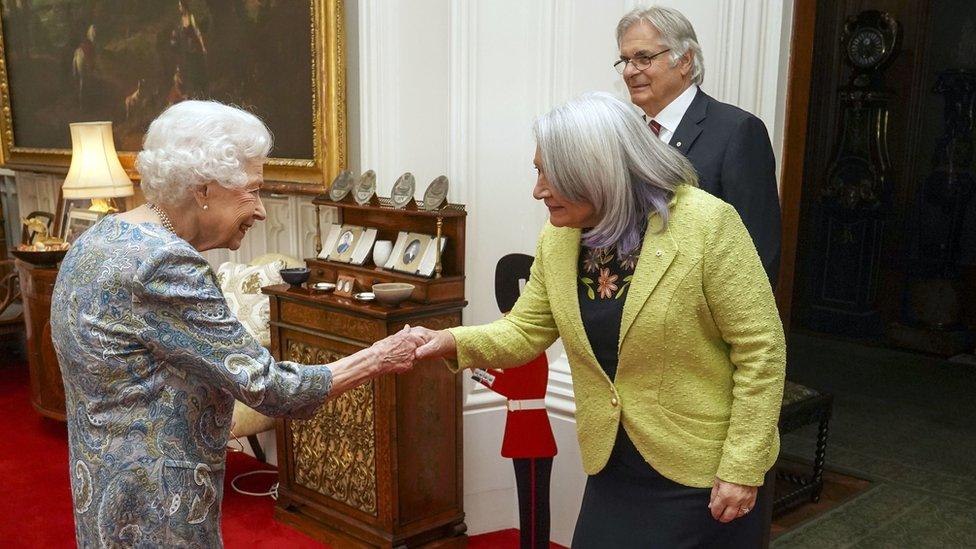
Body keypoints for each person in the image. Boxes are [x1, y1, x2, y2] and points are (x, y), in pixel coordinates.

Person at [413, 92, 786, 548]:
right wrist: (445, 341)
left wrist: (742, 468)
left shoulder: (707, 224)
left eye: (551, 175)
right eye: (538, 172)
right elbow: (525, 330)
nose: (538, 190)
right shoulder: (562, 237)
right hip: (614, 465)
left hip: (701, 473)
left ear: (597, 168)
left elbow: (761, 351)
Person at [50, 100, 423, 548]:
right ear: (204, 189)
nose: (262, 210)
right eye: (253, 190)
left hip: (101, 484)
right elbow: (269, 387)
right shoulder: (166, 264)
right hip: (159, 508)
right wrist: (380, 357)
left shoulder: (99, 238)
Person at [615, 7, 782, 285]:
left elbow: (758, 247)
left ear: (684, 60)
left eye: (643, 58)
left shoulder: (738, 130)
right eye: (625, 60)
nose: (630, 71)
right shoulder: (629, 135)